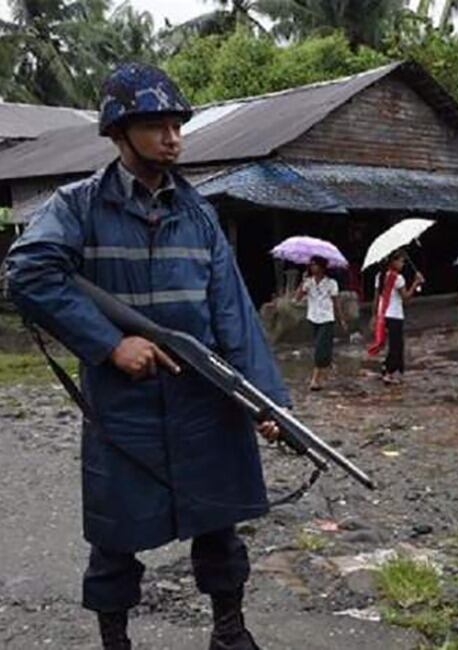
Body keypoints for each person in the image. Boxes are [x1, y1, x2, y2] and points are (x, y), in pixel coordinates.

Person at [4, 63, 286, 650]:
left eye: (177, 125)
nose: (172, 137)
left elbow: (233, 312)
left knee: (220, 529)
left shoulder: (199, 213)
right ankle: (116, 642)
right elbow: (27, 273)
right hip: (123, 407)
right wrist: (111, 344)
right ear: (118, 131)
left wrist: (269, 403)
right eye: (155, 125)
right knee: (115, 539)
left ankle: (229, 634)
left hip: (204, 398)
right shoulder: (77, 206)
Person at [369, 250, 423, 385]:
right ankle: (390, 372)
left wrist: (374, 315)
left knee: (392, 344)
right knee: (396, 345)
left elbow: (376, 298)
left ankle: (387, 368)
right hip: (395, 315)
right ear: (393, 262)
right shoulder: (398, 279)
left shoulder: (380, 276)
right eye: (400, 261)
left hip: (383, 314)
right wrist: (416, 283)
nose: (403, 264)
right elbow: (406, 298)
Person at [295, 256, 347, 391]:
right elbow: (297, 298)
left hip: (327, 318)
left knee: (320, 349)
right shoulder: (309, 282)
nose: (312, 267)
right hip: (313, 317)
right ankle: (325, 368)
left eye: (315, 265)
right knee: (322, 347)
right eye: (311, 265)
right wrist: (302, 282)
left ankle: (315, 379)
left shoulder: (331, 283)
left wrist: (341, 319)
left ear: (322, 267)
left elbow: (336, 303)